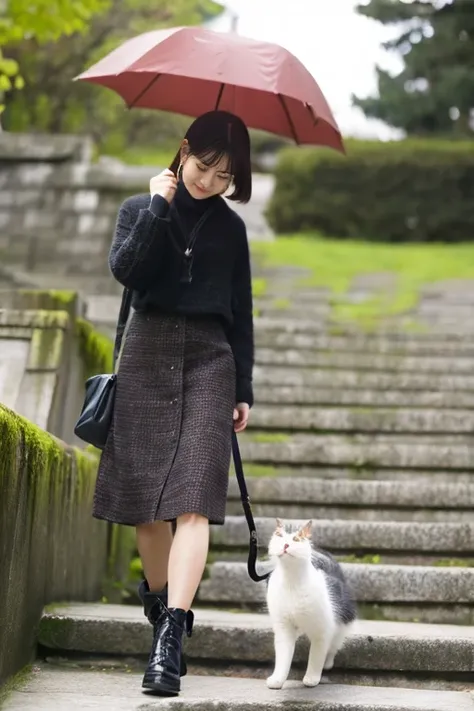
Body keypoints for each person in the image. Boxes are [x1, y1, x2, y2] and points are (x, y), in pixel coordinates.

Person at [92, 110, 254, 697]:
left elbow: (242, 309)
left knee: (193, 500)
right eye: (204, 166)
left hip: (211, 359)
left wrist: (244, 388)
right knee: (145, 507)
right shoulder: (141, 208)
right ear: (183, 150)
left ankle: (170, 639)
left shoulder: (231, 230)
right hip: (147, 350)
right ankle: (159, 609)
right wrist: (158, 209)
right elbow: (126, 272)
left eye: (223, 174)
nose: (209, 181)